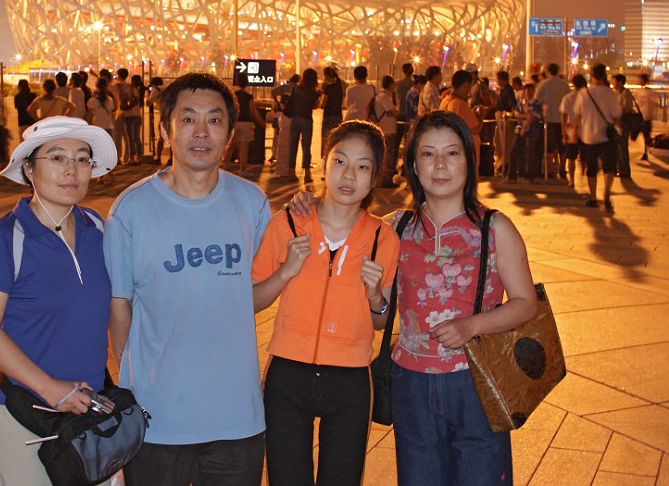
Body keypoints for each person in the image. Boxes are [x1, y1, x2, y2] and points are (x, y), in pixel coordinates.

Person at [289, 112, 538, 486]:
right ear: (414, 166)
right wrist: (306, 203)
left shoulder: (494, 227)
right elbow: (379, 316)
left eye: (452, 153)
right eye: (428, 154)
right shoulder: (395, 228)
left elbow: (525, 303)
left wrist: (472, 325)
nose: (440, 165)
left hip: (476, 382)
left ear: (468, 162)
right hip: (411, 384)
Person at [104, 72, 269, 486]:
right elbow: (119, 304)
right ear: (165, 129)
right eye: (188, 118)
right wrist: (135, 389)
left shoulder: (252, 203)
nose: (201, 131)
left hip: (237, 419)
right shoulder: (131, 210)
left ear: (230, 134)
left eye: (214, 120)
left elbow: (252, 293)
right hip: (157, 420)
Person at [0, 116, 117, 485]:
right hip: (26, 414)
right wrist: (52, 389)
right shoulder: (6, 236)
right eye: (56, 157)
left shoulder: (96, 227)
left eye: (82, 158)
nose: (72, 170)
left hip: (88, 413)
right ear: (29, 169)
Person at [252, 120, 399, 486]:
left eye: (363, 166)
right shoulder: (287, 222)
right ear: (323, 163)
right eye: (340, 161)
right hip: (288, 373)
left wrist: (376, 297)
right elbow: (251, 300)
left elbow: (381, 322)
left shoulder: (384, 238)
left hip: (350, 381)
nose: (349, 175)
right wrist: (286, 272)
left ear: (374, 176)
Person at [574, 63, 621, 211]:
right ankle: (606, 192)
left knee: (591, 168)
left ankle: (593, 198)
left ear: (592, 76)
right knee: (609, 166)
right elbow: (617, 115)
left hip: (588, 137)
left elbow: (577, 115)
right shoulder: (611, 94)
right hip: (607, 137)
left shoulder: (584, 93)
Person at [284, 68, 322, 183]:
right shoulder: (314, 92)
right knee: (306, 147)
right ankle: (307, 174)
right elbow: (315, 106)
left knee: (293, 146)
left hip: (295, 119)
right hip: (306, 120)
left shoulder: (297, 89)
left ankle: (291, 172)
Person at [224, 72, 265, 176]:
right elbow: (253, 111)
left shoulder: (234, 95)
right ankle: (243, 170)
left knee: (231, 146)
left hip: (236, 122)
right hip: (247, 123)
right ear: (247, 83)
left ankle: (225, 166)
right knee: (244, 148)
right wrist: (260, 122)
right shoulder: (249, 96)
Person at [439, 69, 482, 165]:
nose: (469, 91)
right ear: (465, 85)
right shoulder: (459, 104)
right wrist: (481, 115)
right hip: (465, 152)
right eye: (469, 87)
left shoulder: (445, 101)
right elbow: (476, 129)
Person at [536, 64, 570, 179]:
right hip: (563, 119)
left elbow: (536, 99)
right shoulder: (564, 84)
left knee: (549, 147)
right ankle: (563, 169)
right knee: (562, 146)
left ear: (547, 71)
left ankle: (549, 170)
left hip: (548, 118)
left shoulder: (543, 84)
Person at [508, 83, 543, 183]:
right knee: (513, 151)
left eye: (531, 90)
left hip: (532, 131)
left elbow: (533, 117)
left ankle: (530, 176)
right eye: (527, 90)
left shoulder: (536, 104)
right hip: (519, 130)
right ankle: (512, 176)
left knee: (530, 153)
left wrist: (525, 126)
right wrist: (526, 116)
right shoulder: (521, 103)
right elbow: (517, 114)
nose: (528, 92)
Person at [559, 74, 587, 187]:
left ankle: (572, 180)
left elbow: (564, 116)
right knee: (585, 154)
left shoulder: (568, 97)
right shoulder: (587, 98)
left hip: (571, 128)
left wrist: (563, 132)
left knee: (571, 156)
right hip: (585, 128)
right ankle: (584, 174)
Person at [373, 75, 400, 187]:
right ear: (390, 85)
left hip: (386, 128)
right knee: (388, 155)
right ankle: (386, 180)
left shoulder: (382, 95)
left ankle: (384, 179)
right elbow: (394, 112)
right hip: (387, 129)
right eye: (394, 84)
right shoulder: (385, 96)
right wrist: (397, 106)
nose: (395, 87)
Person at [271, 74, 299, 175]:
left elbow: (273, 92)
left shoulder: (285, 87)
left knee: (282, 142)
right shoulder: (296, 88)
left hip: (283, 115)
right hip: (292, 116)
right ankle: (287, 168)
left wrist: (277, 102)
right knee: (289, 143)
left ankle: (281, 167)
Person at [612, 73, 635, 178]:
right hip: (618, 123)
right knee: (619, 147)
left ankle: (624, 171)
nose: (613, 83)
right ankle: (621, 169)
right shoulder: (618, 93)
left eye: (615, 81)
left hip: (623, 123)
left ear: (621, 82)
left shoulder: (625, 93)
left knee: (623, 148)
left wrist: (616, 110)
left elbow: (626, 107)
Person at [319, 66, 345, 156]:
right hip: (338, 115)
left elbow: (322, 105)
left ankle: (326, 157)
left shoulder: (328, 88)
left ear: (327, 76)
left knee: (326, 139)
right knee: (335, 139)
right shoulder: (340, 86)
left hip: (328, 116)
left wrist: (321, 91)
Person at [635, 73, 657, 161]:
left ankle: (645, 152)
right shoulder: (639, 91)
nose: (638, 81)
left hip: (646, 117)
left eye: (639, 79)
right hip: (640, 116)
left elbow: (652, 104)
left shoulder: (650, 92)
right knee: (638, 135)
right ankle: (645, 150)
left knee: (646, 136)